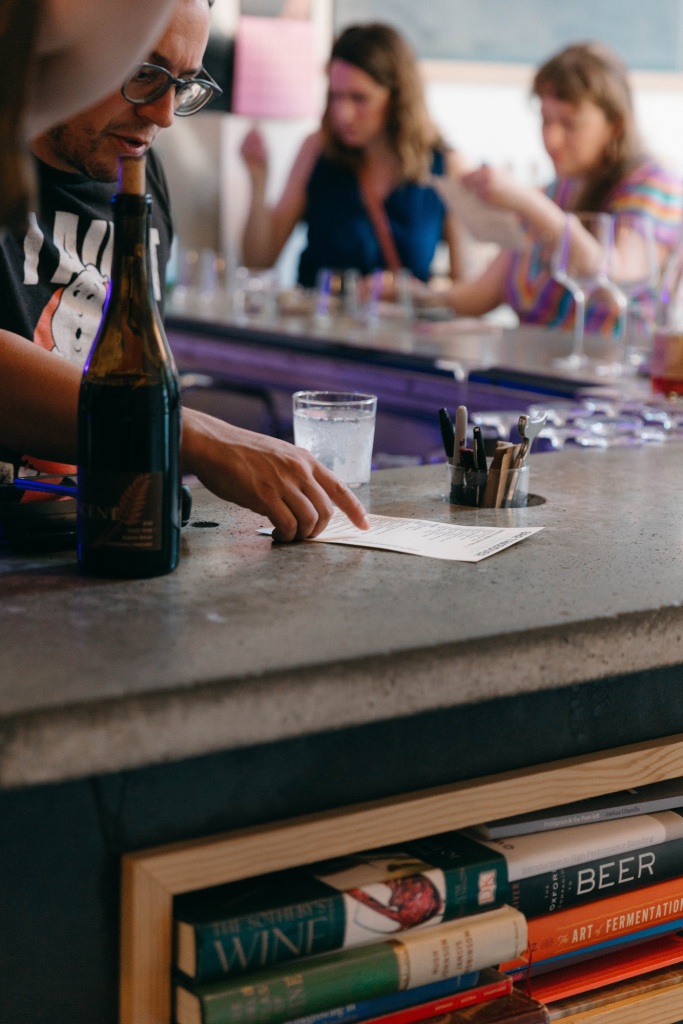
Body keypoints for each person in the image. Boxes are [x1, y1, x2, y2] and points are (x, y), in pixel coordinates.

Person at [0, 0, 369, 543]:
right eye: (144, 73)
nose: (164, 113)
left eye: (184, 85)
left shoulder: (142, 179)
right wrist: (190, 434)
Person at [437, 41, 683, 329]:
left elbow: (615, 286)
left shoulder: (653, 186)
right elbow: (480, 296)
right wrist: (403, 296)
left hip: (602, 371)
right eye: (545, 120)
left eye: (569, 124)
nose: (551, 139)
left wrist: (529, 204)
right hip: (530, 368)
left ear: (615, 125)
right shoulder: (554, 192)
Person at [239, 22, 468, 289]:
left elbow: (466, 287)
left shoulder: (446, 165)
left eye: (360, 98)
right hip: (320, 324)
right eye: (335, 97)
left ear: (398, 98)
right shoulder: (317, 149)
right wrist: (258, 181)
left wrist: (409, 292)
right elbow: (258, 261)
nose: (343, 114)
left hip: (398, 327)